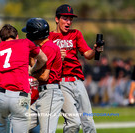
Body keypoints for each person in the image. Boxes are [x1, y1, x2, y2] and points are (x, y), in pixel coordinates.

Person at [48, 4, 104, 133]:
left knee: (88, 121)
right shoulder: (49, 37)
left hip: (78, 81)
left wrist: (95, 50)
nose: (68, 22)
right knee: (73, 123)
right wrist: (56, 56)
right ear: (57, 19)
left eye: (70, 19)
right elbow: (43, 60)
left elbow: (87, 55)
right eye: (65, 18)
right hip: (61, 83)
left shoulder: (76, 34)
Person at [0, 24, 47, 133]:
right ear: (17, 36)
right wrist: (32, 70)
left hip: (1, 95)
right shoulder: (24, 42)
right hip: (19, 95)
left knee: (0, 124)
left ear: (1, 39)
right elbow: (43, 59)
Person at [22, 17, 64, 133]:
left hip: (50, 93)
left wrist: (29, 71)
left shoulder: (48, 47)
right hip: (43, 94)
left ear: (34, 34)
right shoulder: (43, 47)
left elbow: (45, 76)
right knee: (20, 125)